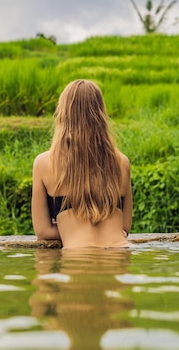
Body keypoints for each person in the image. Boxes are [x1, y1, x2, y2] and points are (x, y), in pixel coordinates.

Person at [31, 79, 133, 248]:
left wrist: (73, 228)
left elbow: (43, 232)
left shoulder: (44, 163)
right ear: (100, 114)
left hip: (79, 257)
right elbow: (124, 227)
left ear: (63, 114)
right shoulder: (122, 162)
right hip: (121, 251)